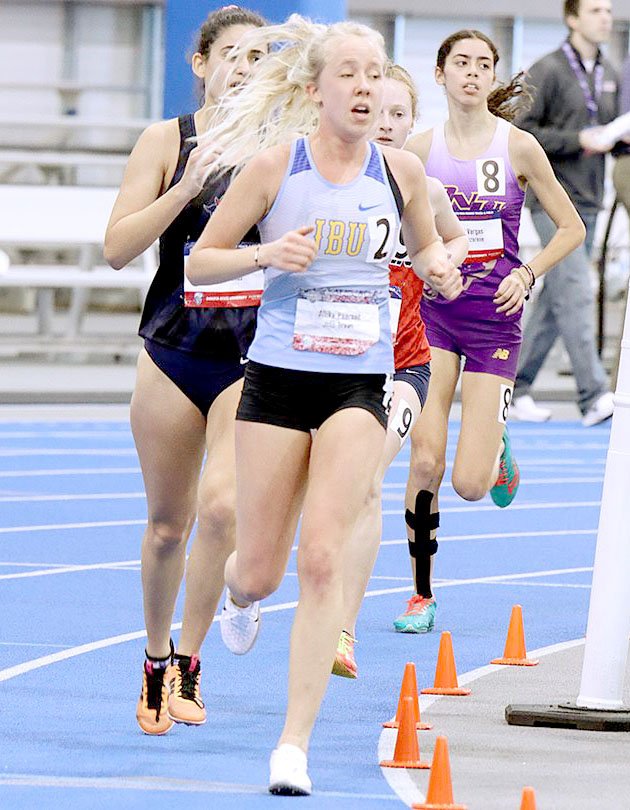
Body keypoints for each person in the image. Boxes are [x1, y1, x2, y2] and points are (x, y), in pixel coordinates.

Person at [186, 16, 462, 795]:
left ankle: (292, 746)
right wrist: (267, 253)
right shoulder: (277, 166)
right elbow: (201, 261)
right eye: (351, 73)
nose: (368, 87)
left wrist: (441, 265)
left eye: (376, 73)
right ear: (316, 90)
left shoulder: (403, 171)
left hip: (356, 384)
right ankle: (240, 594)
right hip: (276, 379)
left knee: (322, 558)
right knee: (264, 570)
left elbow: (434, 245)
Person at [103, 6, 266, 735]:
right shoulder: (165, 140)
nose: (245, 67)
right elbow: (116, 248)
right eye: (233, 53)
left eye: (261, 57)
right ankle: (153, 655)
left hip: (251, 352)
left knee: (224, 509)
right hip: (171, 352)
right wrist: (185, 185)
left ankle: (190, 661)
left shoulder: (283, 149)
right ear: (200, 64)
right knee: (169, 525)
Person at [395, 29, 585, 633]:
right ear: (441, 74)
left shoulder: (520, 146)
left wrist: (528, 273)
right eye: (462, 63)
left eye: (484, 64)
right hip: (435, 311)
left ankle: (495, 440)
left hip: (495, 315)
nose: (473, 73)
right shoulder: (417, 150)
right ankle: (421, 593)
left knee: (471, 485)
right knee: (424, 459)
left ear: (493, 74)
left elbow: (571, 227)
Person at [333, 64, 469, 679]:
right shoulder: (326, 179)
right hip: (327, 363)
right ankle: (244, 584)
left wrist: (444, 266)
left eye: (398, 114)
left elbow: (454, 239)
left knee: (365, 479)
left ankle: (341, 631)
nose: (386, 123)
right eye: (377, 110)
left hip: (403, 367)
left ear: (413, 122)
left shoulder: (421, 187)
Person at [510, 0, 619, 426]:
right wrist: (578, 139)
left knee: (556, 301)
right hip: (553, 202)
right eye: (595, 10)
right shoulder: (549, 69)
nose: (606, 18)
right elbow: (522, 131)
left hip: (592, 199)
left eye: (608, 11)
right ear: (572, 18)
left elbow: (608, 132)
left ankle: (516, 387)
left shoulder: (610, 74)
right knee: (574, 291)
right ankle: (593, 396)